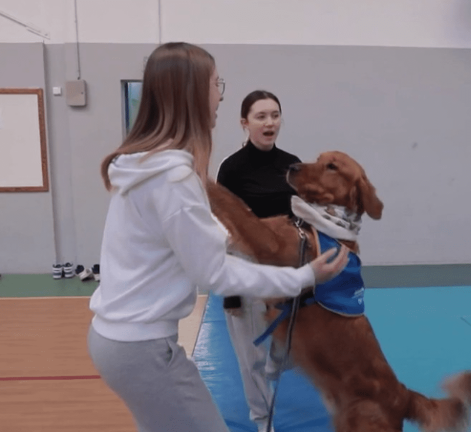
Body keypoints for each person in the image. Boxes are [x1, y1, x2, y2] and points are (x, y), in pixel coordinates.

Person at [86, 42, 349, 432]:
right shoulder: (171, 177)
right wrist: (304, 277)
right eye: (215, 84)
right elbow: (216, 272)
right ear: (193, 93)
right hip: (141, 348)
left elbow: (185, 236)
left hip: (124, 343)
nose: (219, 95)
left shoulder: (146, 164)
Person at [215, 90, 300, 432]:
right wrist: (231, 288)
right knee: (251, 355)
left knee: (289, 348)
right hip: (245, 266)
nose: (269, 123)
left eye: (274, 115)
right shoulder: (232, 169)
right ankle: (263, 419)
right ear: (244, 123)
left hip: (286, 266)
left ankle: (272, 371)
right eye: (261, 116)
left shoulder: (292, 164)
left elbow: (303, 217)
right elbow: (222, 226)